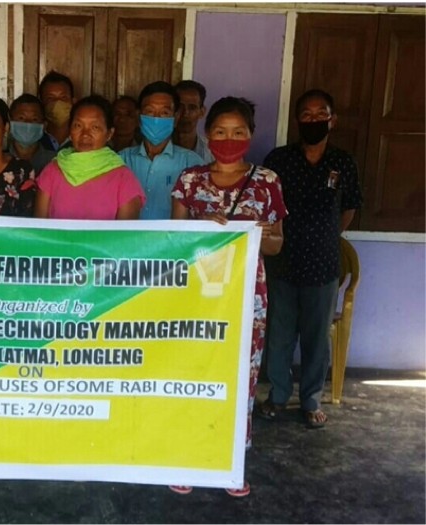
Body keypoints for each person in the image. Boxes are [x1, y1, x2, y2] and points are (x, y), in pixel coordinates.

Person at [170, 96, 287, 497]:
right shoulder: (189, 180)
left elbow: (275, 247)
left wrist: (265, 235)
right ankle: (186, 456)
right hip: (194, 297)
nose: (229, 139)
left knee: (240, 376)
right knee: (192, 373)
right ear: (207, 135)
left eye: (238, 132)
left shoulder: (267, 181)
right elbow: (174, 242)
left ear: (251, 135)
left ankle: (230, 462)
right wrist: (201, 227)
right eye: (220, 132)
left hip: (246, 297)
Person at [260, 89, 363, 429]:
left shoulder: (342, 162)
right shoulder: (279, 160)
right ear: (297, 120)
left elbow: (348, 209)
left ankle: (311, 400)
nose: (314, 119)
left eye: (322, 113)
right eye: (307, 114)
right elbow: (266, 206)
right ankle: (276, 395)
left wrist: (324, 233)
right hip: (282, 262)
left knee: (317, 337)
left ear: (332, 120)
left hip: (322, 264)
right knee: (280, 333)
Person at [34, 95, 145, 220]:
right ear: (70, 130)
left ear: (109, 134)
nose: (85, 135)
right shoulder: (52, 171)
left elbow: (125, 237)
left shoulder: (124, 179)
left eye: (95, 127)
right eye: (78, 126)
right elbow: (40, 231)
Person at [119, 81, 204, 220]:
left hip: (172, 241)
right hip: (129, 241)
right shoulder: (120, 160)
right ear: (139, 116)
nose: (156, 118)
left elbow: (200, 211)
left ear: (175, 118)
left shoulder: (192, 163)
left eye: (164, 112)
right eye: (150, 111)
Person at [8, 93, 56, 175]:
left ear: (44, 125)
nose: (28, 123)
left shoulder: (55, 161)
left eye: (34, 119)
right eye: (21, 118)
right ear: (10, 122)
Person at [173, 80, 215, 163]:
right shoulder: (159, 148)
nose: (185, 113)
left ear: (202, 112)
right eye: (180, 107)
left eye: (192, 107)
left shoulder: (211, 153)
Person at [37, 70, 75, 152]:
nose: (58, 103)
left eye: (63, 97)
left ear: (73, 101)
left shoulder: (82, 138)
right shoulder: (34, 138)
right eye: (50, 98)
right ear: (41, 103)